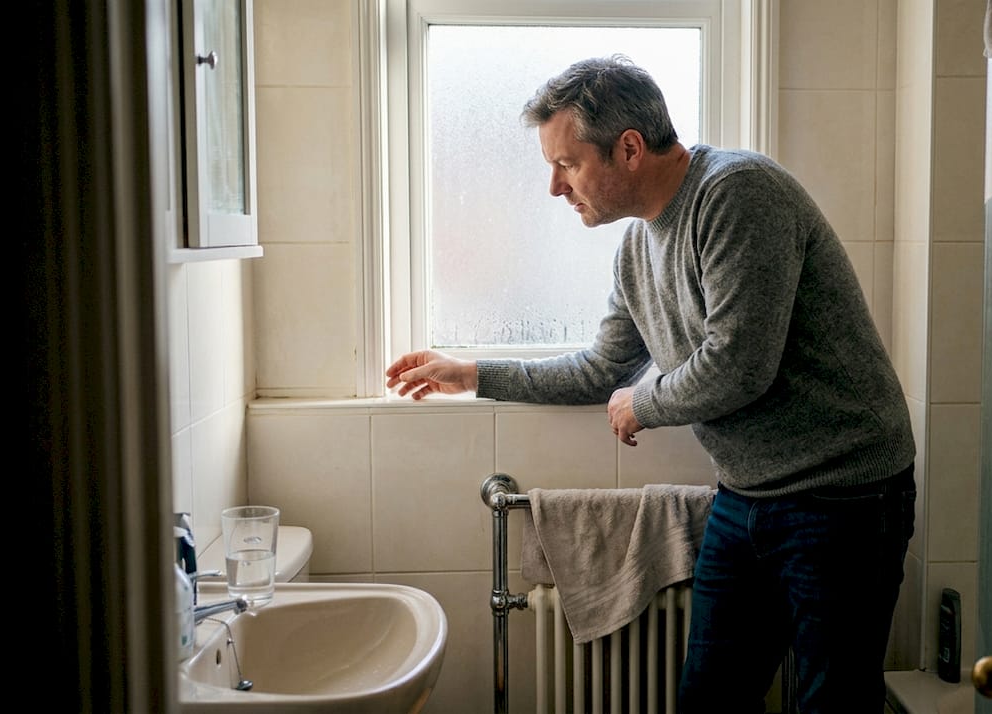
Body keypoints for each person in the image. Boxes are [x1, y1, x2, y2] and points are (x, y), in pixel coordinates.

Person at [386, 54, 916, 713]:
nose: (554, 187)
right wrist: (472, 373)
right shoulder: (638, 250)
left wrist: (646, 403)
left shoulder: (738, 192)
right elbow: (603, 369)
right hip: (746, 498)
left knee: (831, 705)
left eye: (566, 163)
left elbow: (740, 366)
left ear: (629, 148)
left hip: (843, 499)